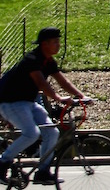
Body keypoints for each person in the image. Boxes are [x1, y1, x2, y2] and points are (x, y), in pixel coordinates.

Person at [0, 27, 87, 185]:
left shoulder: (48, 61)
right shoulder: (32, 59)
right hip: (10, 102)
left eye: (58, 41)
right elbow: (41, 82)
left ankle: (43, 171)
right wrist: (58, 98)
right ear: (44, 44)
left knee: (52, 131)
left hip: (28, 103)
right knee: (31, 133)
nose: (58, 45)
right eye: (55, 42)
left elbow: (62, 81)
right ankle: (2, 163)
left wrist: (81, 96)